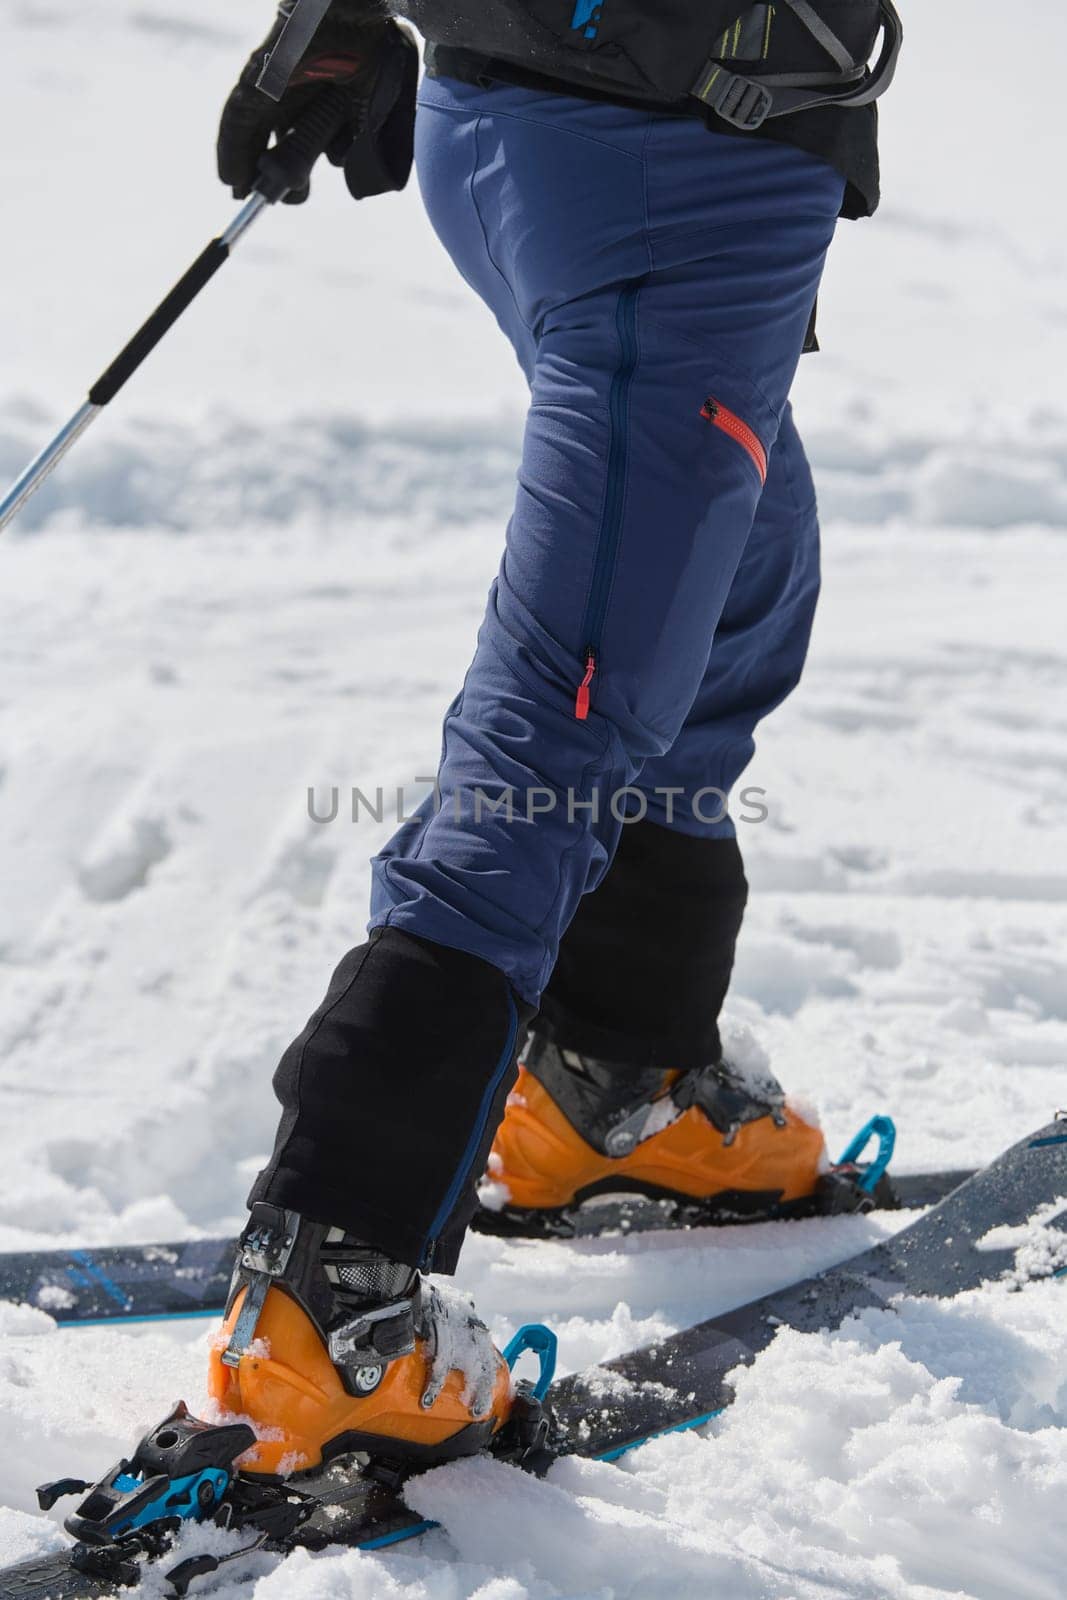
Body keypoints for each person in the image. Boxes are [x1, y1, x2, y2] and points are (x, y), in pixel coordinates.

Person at [206, 0, 899, 1474]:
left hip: (555, 127)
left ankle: (610, 1078)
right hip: (672, 157)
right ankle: (334, 1292)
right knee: (563, 726)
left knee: (730, 594)